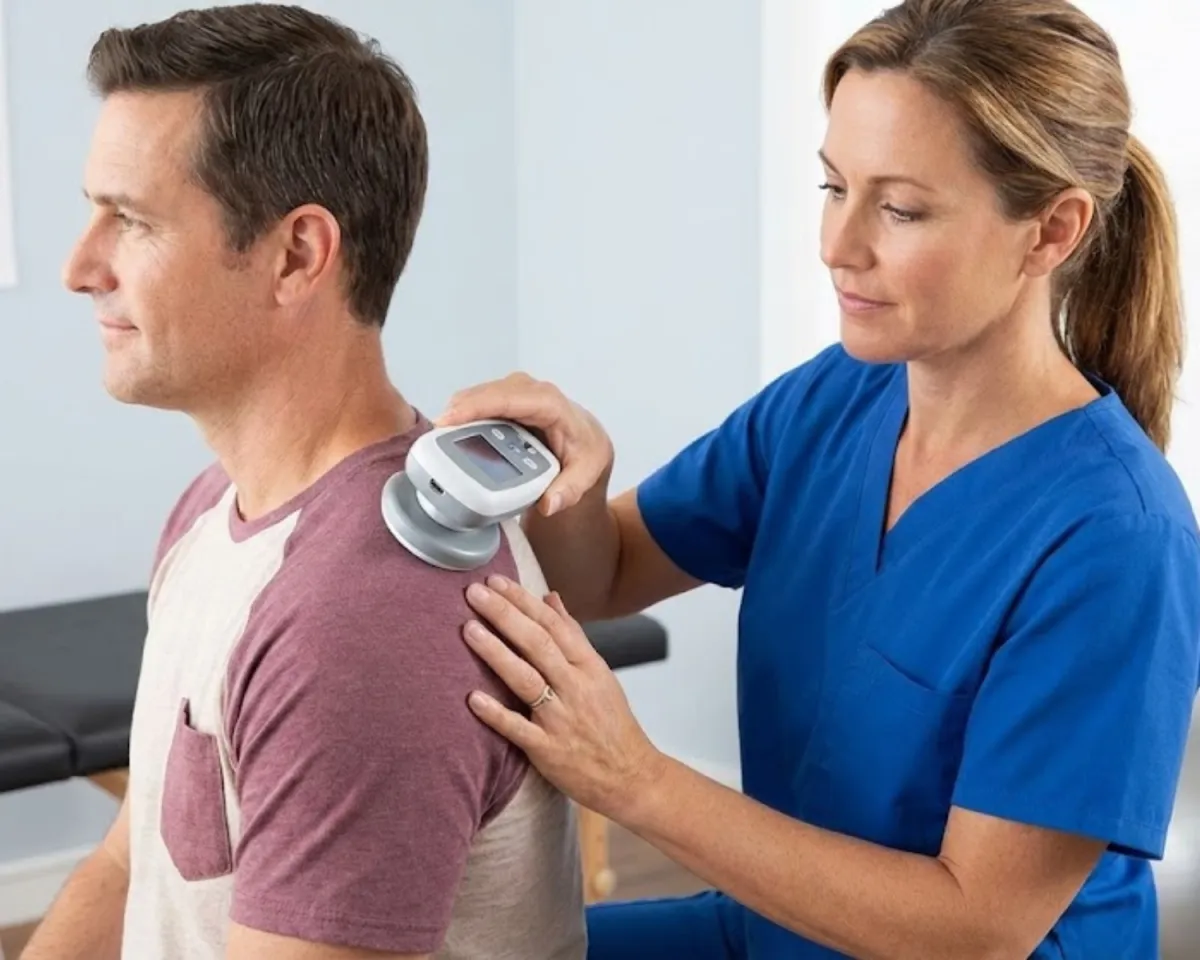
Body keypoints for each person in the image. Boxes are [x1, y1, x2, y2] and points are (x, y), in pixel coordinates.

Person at [439, 1, 1200, 957]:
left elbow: (977, 928)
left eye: (901, 208)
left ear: (1050, 232)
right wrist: (571, 486)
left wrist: (634, 780)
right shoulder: (836, 400)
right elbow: (606, 575)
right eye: (834, 187)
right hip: (778, 932)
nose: (839, 246)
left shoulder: (1116, 537)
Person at [28, 6, 585, 960]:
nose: (79, 267)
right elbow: (132, 863)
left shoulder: (364, 624)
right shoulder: (215, 510)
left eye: (131, 221)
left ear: (296, 255)